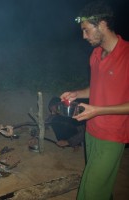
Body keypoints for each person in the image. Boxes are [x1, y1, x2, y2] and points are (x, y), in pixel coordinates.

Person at [60, 1, 129, 199]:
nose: (84, 36)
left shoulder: (127, 55)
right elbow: (97, 87)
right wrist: (76, 93)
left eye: (86, 30)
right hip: (91, 131)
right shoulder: (96, 54)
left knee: (90, 190)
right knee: (101, 187)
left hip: (113, 135)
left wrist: (98, 110)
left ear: (102, 25)